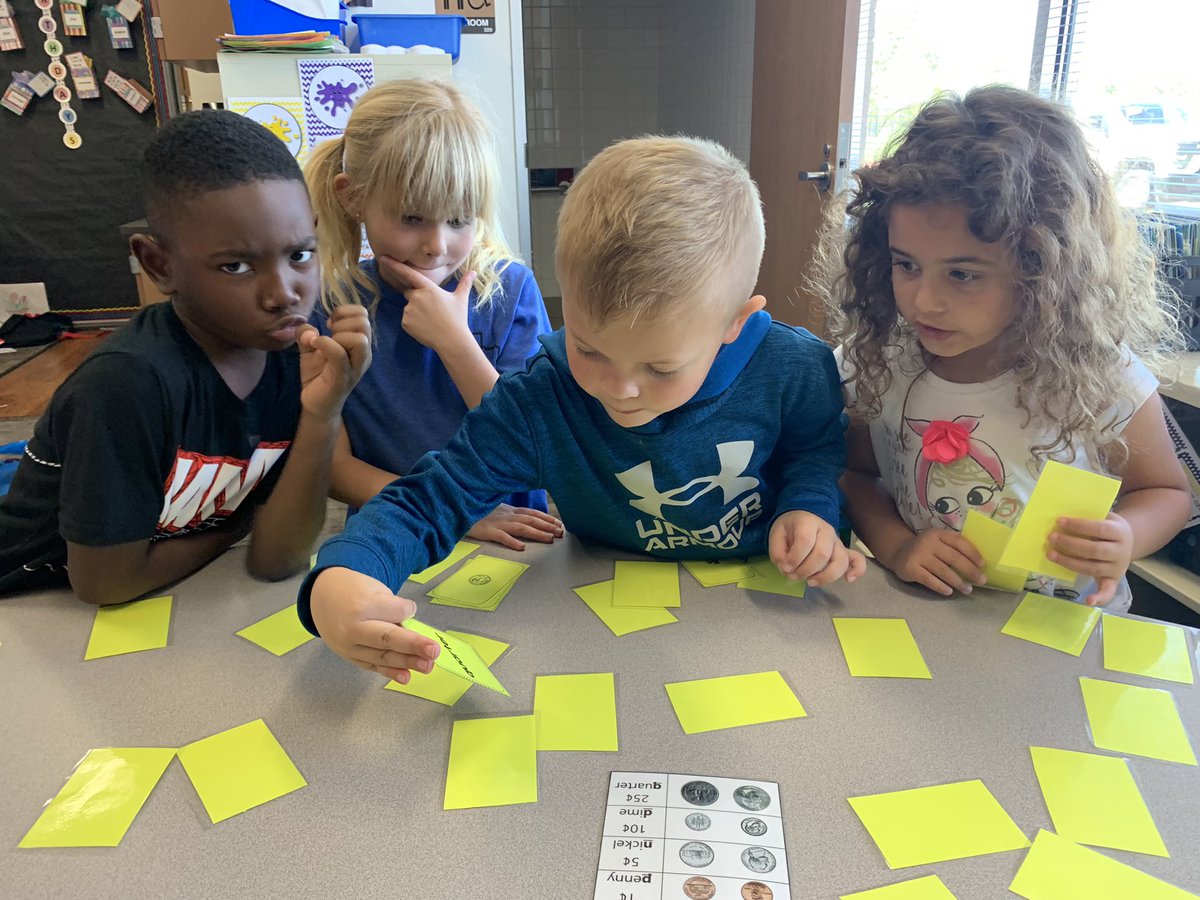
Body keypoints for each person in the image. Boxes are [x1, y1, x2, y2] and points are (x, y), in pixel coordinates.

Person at [299, 135, 866, 681]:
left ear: (734, 323)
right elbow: (431, 497)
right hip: (598, 607)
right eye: (589, 349)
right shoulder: (541, 400)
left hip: (762, 605)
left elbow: (814, 449)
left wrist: (809, 506)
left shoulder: (793, 368)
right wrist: (346, 574)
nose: (619, 389)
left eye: (660, 369)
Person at [817, 85, 1190, 610]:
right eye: (906, 264)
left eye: (963, 274)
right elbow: (856, 474)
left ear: (1043, 270)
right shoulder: (883, 359)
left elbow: (1167, 494)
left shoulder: (1099, 372)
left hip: (1064, 627)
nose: (924, 301)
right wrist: (900, 547)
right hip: (931, 615)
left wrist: (1127, 536)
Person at [0, 110, 371, 605]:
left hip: (153, 596)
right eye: (236, 266)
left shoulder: (288, 356)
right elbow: (105, 582)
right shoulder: (125, 384)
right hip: (27, 604)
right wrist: (241, 524)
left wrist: (323, 414)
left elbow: (276, 560)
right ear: (159, 264)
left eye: (299, 255)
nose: (283, 294)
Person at [304, 79, 561, 550]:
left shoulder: (509, 291)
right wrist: (446, 510)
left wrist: (454, 342)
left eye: (459, 219)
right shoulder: (330, 307)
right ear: (351, 197)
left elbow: (540, 445)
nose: (437, 245)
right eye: (411, 218)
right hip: (393, 530)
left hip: (515, 540)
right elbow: (332, 468)